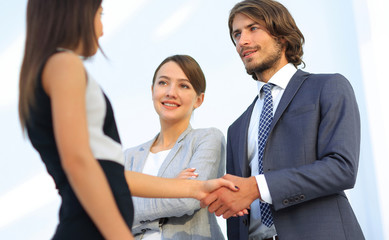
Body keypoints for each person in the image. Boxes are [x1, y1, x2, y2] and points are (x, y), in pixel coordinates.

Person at [18, 1, 237, 239]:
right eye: (99, 14)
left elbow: (110, 174)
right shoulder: (65, 64)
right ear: (76, 13)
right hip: (89, 227)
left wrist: (195, 188)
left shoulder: (48, 68)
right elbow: (78, 162)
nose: (102, 29)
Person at [200, 0, 365, 239]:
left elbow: (342, 168)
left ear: (282, 35)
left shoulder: (327, 87)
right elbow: (237, 213)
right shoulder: (236, 128)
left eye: (253, 28)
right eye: (237, 34)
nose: (242, 41)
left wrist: (258, 186)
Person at [124, 55, 226, 240]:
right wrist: (174, 185)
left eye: (183, 85)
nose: (171, 92)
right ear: (152, 90)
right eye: (163, 83)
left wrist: (130, 208)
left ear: (199, 99)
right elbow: (105, 215)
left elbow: (187, 200)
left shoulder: (207, 139)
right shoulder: (129, 157)